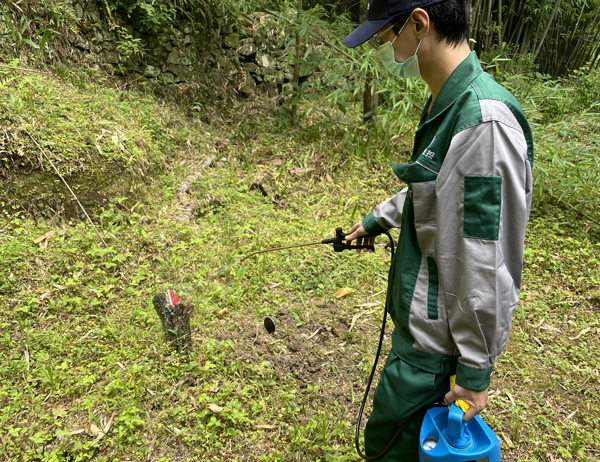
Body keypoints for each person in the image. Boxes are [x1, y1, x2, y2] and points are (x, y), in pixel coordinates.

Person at [342, 0, 533, 459]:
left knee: (391, 449)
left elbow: (481, 260)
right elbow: (439, 193)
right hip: (422, 339)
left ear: (419, 23)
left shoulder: (482, 123)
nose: (387, 52)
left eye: (386, 38)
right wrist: (379, 217)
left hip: (435, 353)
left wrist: (473, 371)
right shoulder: (449, 102)